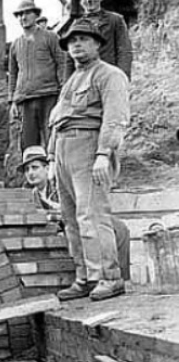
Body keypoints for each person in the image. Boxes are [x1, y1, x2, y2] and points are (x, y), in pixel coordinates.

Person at [47, 19, 130, 302]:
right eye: (72, 42)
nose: (76, 45)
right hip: (63, 149)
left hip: (89, 146)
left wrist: (104, 154)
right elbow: (57, 121)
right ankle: (85, 277)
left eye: (83, 39)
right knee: (70, 218)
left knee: (92, 214)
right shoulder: (71, 80)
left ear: (97, 43)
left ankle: (109, 277)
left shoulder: (110, 75)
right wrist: (49, 159)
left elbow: (115, 117)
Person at [20, 145, 131, 280]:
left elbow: (80, 204)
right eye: (27, 170)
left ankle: (122, 277)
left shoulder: (60, 185)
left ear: (47, 168)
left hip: (84, 217)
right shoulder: (29, 195)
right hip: (64, 229)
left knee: (119, 228)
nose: (31, 173)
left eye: (35, 167)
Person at [8, 0, 67, 151]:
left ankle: (53, 172)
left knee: (52, 137)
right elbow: (13, 74)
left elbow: (62, 63)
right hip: (26, 99)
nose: (23, 17)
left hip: (49, 95)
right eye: (20, 15)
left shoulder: (50, 37)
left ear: (36, 15)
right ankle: (32, 172)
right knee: (28, 142)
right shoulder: (16, 44)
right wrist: (13, 101)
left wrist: (64, 92)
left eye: (27, 13)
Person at [63, 0, 133, 80]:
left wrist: (123, 76)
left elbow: (124, 50)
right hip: (85, 78)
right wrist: (67, 84)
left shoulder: (115, 20)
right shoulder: (76, 23)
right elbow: (69, 58)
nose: (89, 1)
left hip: (109, 75)